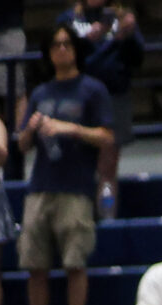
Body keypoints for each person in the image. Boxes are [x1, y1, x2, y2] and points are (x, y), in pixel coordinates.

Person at [18, 24, 109, 305]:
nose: (61, 49)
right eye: (55, 45)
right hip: (40, 187)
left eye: (66, 43)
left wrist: (70, 128)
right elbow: (21, 144)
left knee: (75, 263)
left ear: (75, 48)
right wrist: (30, 129)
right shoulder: (41, 92)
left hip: (76, 188)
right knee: (35, 264)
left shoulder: (92, 89)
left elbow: (107, 137)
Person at [60, 0, 139, 209]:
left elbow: (137, 59)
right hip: (77, 98)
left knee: (108, 167)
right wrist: (88, 41)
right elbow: (61, 60)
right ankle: (78, 216)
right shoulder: (69, 20)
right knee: (74, 163)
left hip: (114, 98)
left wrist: (127, 38)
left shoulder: (122, 17)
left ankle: (107, 218)